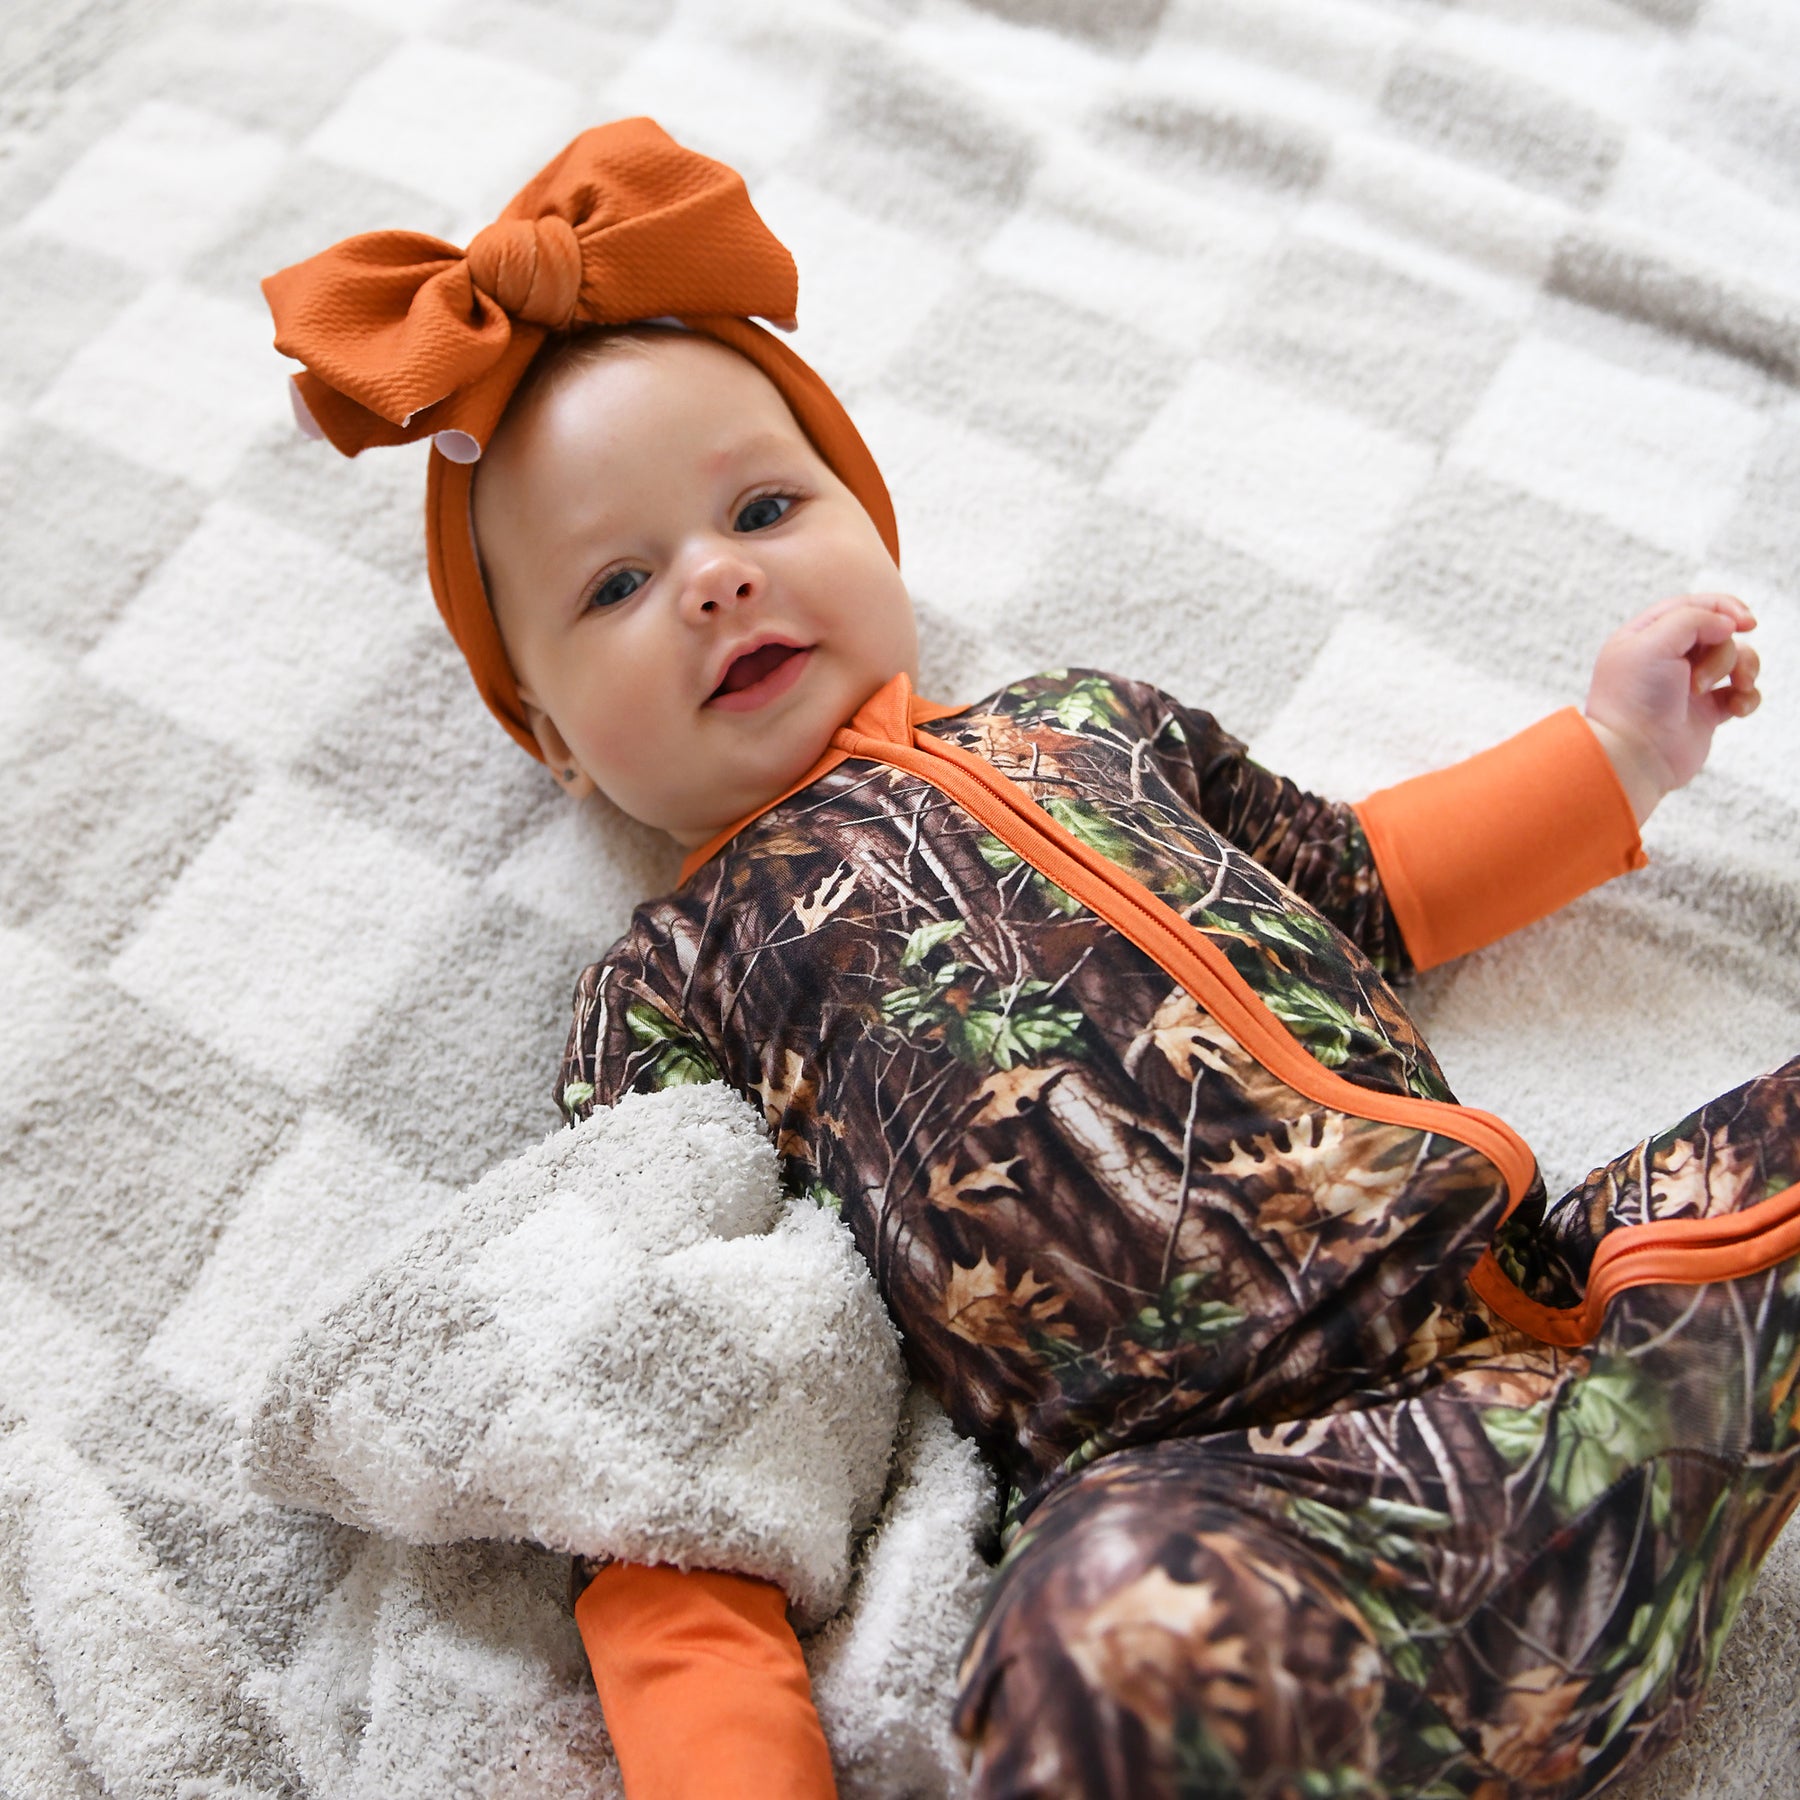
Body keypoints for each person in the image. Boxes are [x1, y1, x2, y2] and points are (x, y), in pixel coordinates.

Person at [264, 120, 1798, 1800]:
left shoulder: (1085, 726)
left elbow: (1364, 881)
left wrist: (1612, 754)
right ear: (553, 738)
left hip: (1570, 1318)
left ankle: (1663, 1472)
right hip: (1250, 1517)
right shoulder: (668, 988)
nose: (715, 578)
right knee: (1082, 1648)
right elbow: (679, 1391)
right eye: (617, 584)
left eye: (764, 507)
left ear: (873, 529)